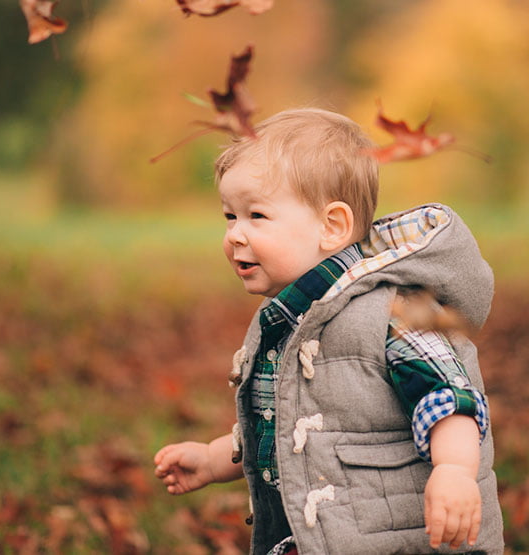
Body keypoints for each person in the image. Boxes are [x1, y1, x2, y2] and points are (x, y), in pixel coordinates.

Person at [153, 109, 503, 554]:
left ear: (331, 226)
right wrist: (213, 458)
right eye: (229, 216)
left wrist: (454, 470)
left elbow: (450, 398)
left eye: (256, 216)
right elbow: (283, 422)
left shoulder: (393, 310)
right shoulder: (285, 318)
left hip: (400, 539)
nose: (235, 235)